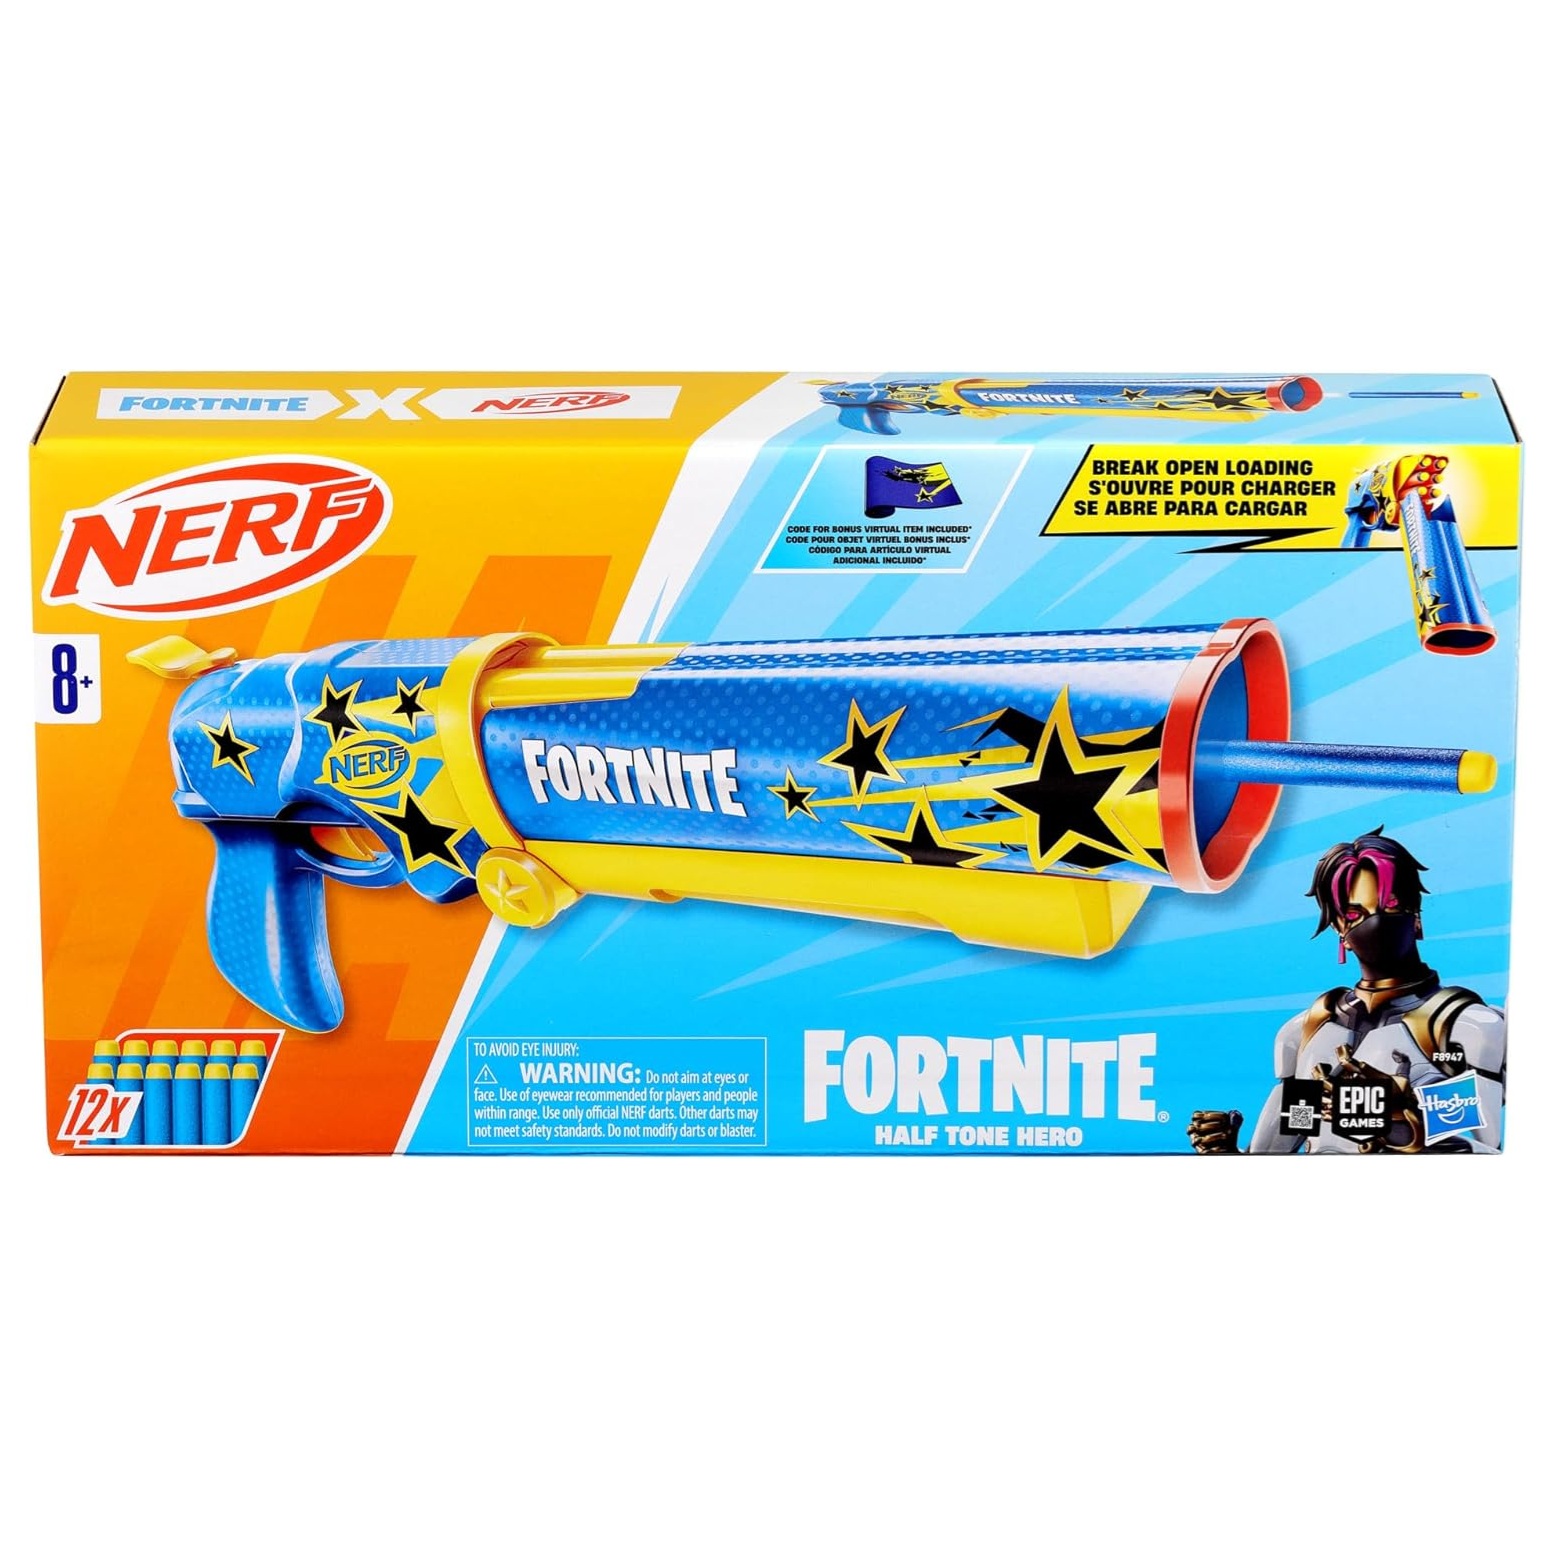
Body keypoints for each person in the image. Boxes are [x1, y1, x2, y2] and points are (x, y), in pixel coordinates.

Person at [1188, 828, 1505, 1154]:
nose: (1375, 923)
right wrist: (1227, 1155)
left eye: (1390, 904)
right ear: (1339, 927)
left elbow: (1486, 1151)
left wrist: (1400, 1119)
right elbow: (1288, 1137)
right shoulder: (1311, 1028)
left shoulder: (1465, 1026)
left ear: (1415, 915)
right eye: (1355, 914)